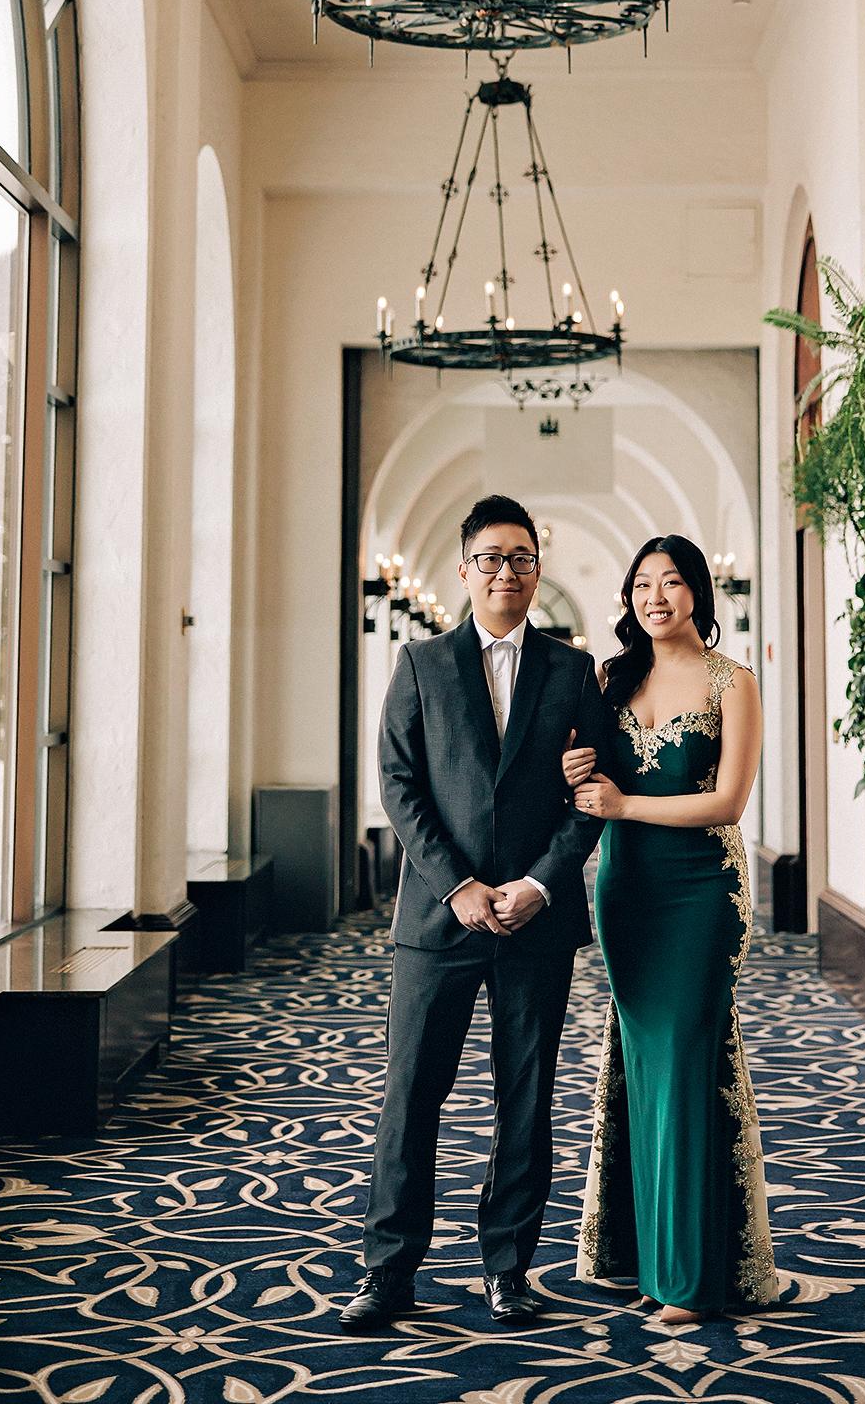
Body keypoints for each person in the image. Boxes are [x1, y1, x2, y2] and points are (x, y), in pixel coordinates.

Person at [340, 493, 615, 1332]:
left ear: (539, 568)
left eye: (522, 558)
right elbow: (398, 784)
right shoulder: (421, 664)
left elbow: (593, 795)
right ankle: (389, 1272)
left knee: (525, 1096)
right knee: (412, 1093)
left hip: (537, 919)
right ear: (464, 571)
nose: (506, 573)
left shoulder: (573, 671)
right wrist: (457, 885)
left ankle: (509, 1269)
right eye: (491, 559)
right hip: (437, 920)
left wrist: (537, 883)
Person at [564, 533, 779, 1324]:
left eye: (672, 582)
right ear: (627, 598)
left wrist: (625, 805)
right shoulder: (608, 679)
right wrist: (577, 780)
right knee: (641, 1062)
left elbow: (727, 804)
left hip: (701, 895)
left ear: (698, 593)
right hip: (626, 893)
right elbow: (575, 774)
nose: (655, 597)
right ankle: (638, 1252)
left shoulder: (735, 683)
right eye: (642, 585)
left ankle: (686, 1279)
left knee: (687, 1061)